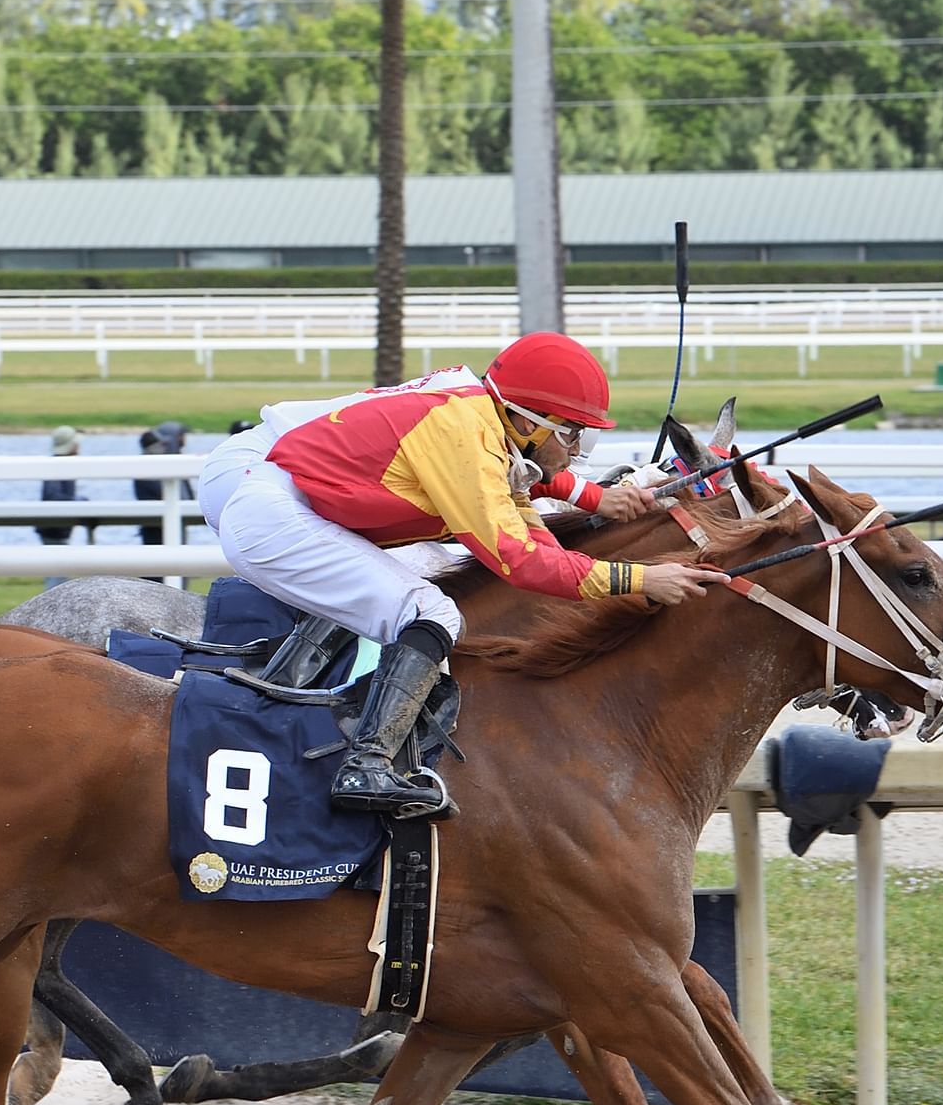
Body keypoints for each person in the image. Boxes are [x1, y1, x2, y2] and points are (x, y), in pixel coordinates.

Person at [199, 333, 717, 819]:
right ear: (526, 423)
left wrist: (596, 507)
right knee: (431, 608)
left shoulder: (483, 424)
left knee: (407, 583)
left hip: (276, 490)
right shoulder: (464, 436)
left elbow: (538, 530)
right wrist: (641, 580)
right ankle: (365, 764)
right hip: (267, 501)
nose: (577, 449)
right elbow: (523, 562)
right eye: (570, 433)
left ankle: (281, 687)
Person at [35, 424, 89, 591]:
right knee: (57, 575)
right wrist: (77, 501)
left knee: (58, 573)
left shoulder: (60, 463)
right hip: (54, 529)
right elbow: (54, 497)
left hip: (57, 528)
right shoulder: (58, 465)